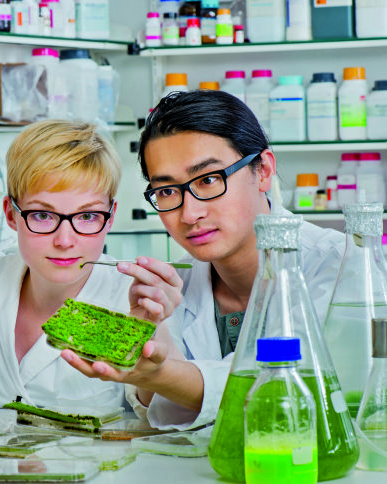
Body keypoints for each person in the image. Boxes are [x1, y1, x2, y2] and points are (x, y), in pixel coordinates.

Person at [63, 90, 345, 429]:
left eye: (209, 180)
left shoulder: (342, 266)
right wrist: (153, 350)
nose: (189, 213)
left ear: (264, 170)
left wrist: (164, 375)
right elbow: (163, 414)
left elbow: (297, 396)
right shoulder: (174, 285)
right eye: (167, 191)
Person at [0, 119, 184, 409]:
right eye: (43, 216)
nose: (65, 240)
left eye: (87, 217)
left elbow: (167, 415)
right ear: (11, 214)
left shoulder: (137, 301)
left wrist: (151, 350)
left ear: (111, 217)